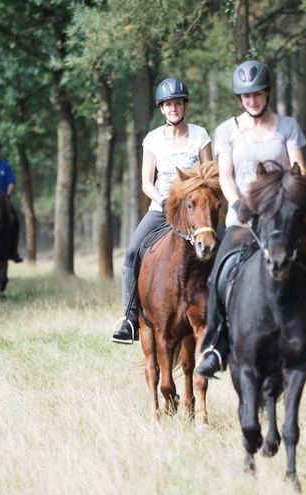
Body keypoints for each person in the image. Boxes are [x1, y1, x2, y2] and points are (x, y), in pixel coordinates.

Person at [194, 60, 306, 379]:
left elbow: (297, 172)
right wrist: (239, 204)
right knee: (218, 274)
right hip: (243, 218)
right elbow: (226, 175)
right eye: (246, 97)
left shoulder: (287, 127)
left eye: (257, 95)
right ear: (239, 99)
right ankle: (215, 346)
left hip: (282, 219)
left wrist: (286, 205)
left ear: (268, 93)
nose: (252, 101)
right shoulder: (226, 131)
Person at [112, 77, 213, 344]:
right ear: (162, 109)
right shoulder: (153, 139)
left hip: (196, 210)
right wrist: (165, 201)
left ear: (184, 106)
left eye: (177, 103)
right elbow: (146, 182)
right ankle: (129, 320)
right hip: (162, 208)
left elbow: (209, 175)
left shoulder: (200, 135)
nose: (173, 109)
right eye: (168, 105)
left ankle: (224, 315)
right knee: (133, 251)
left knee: (222, 248)